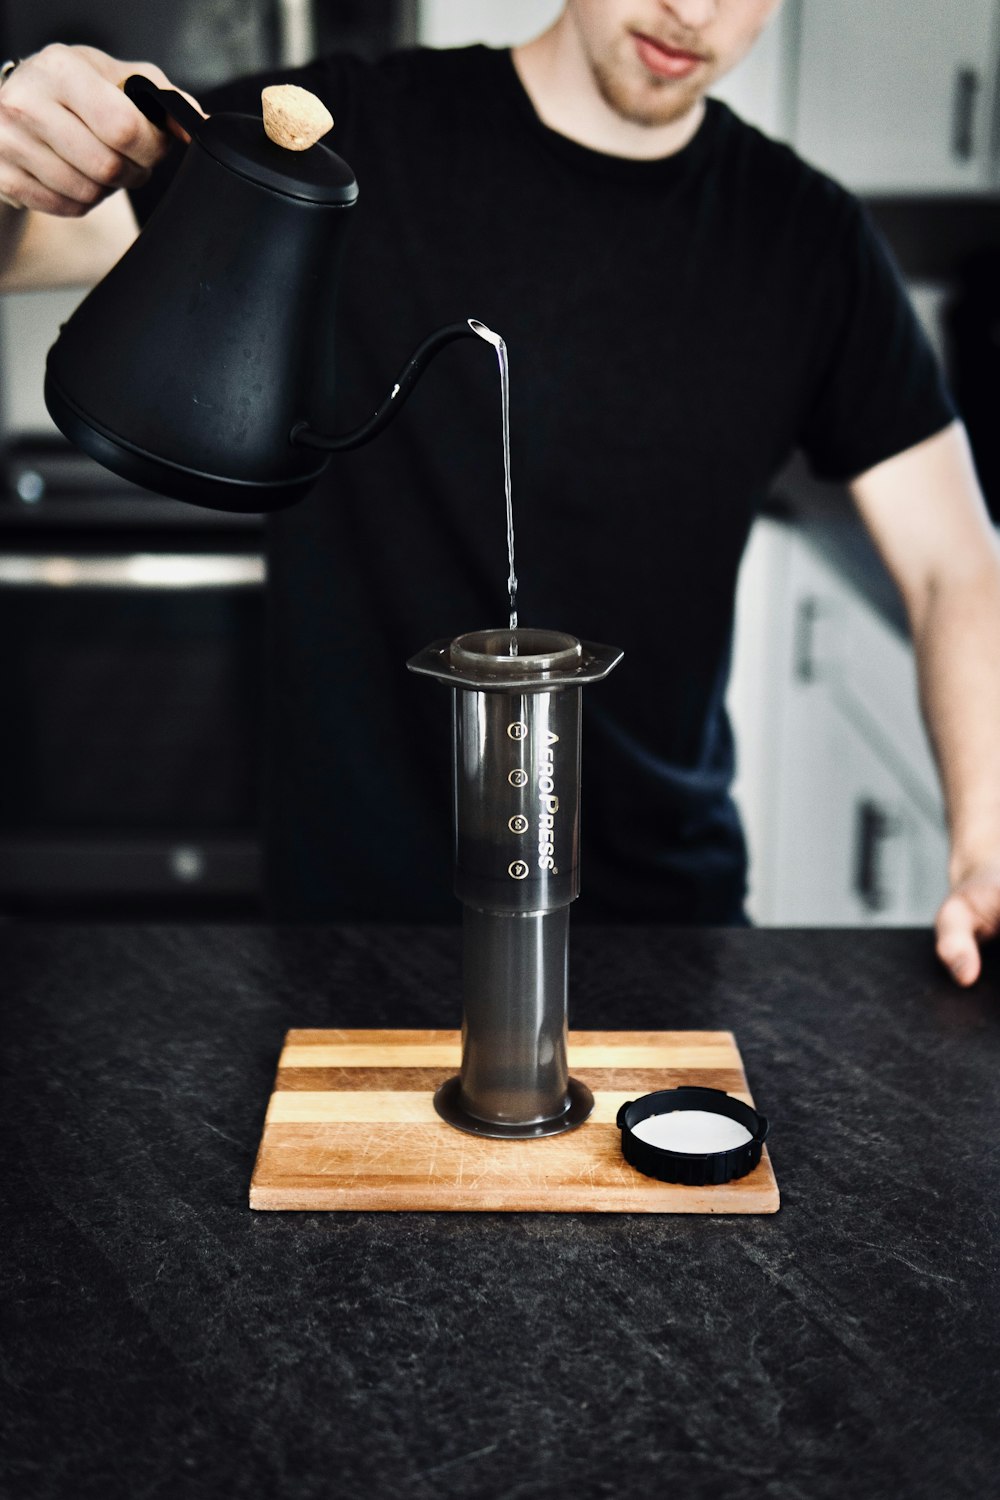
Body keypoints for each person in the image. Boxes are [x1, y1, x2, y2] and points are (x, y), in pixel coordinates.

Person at [1, 1, 999, 983]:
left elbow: (955, 564)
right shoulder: (350, 130)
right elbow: (35, 245)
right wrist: (21, 143)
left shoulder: (809, 241)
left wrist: (988, 842)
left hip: (663, 935)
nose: (690, 9)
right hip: (348, 934)